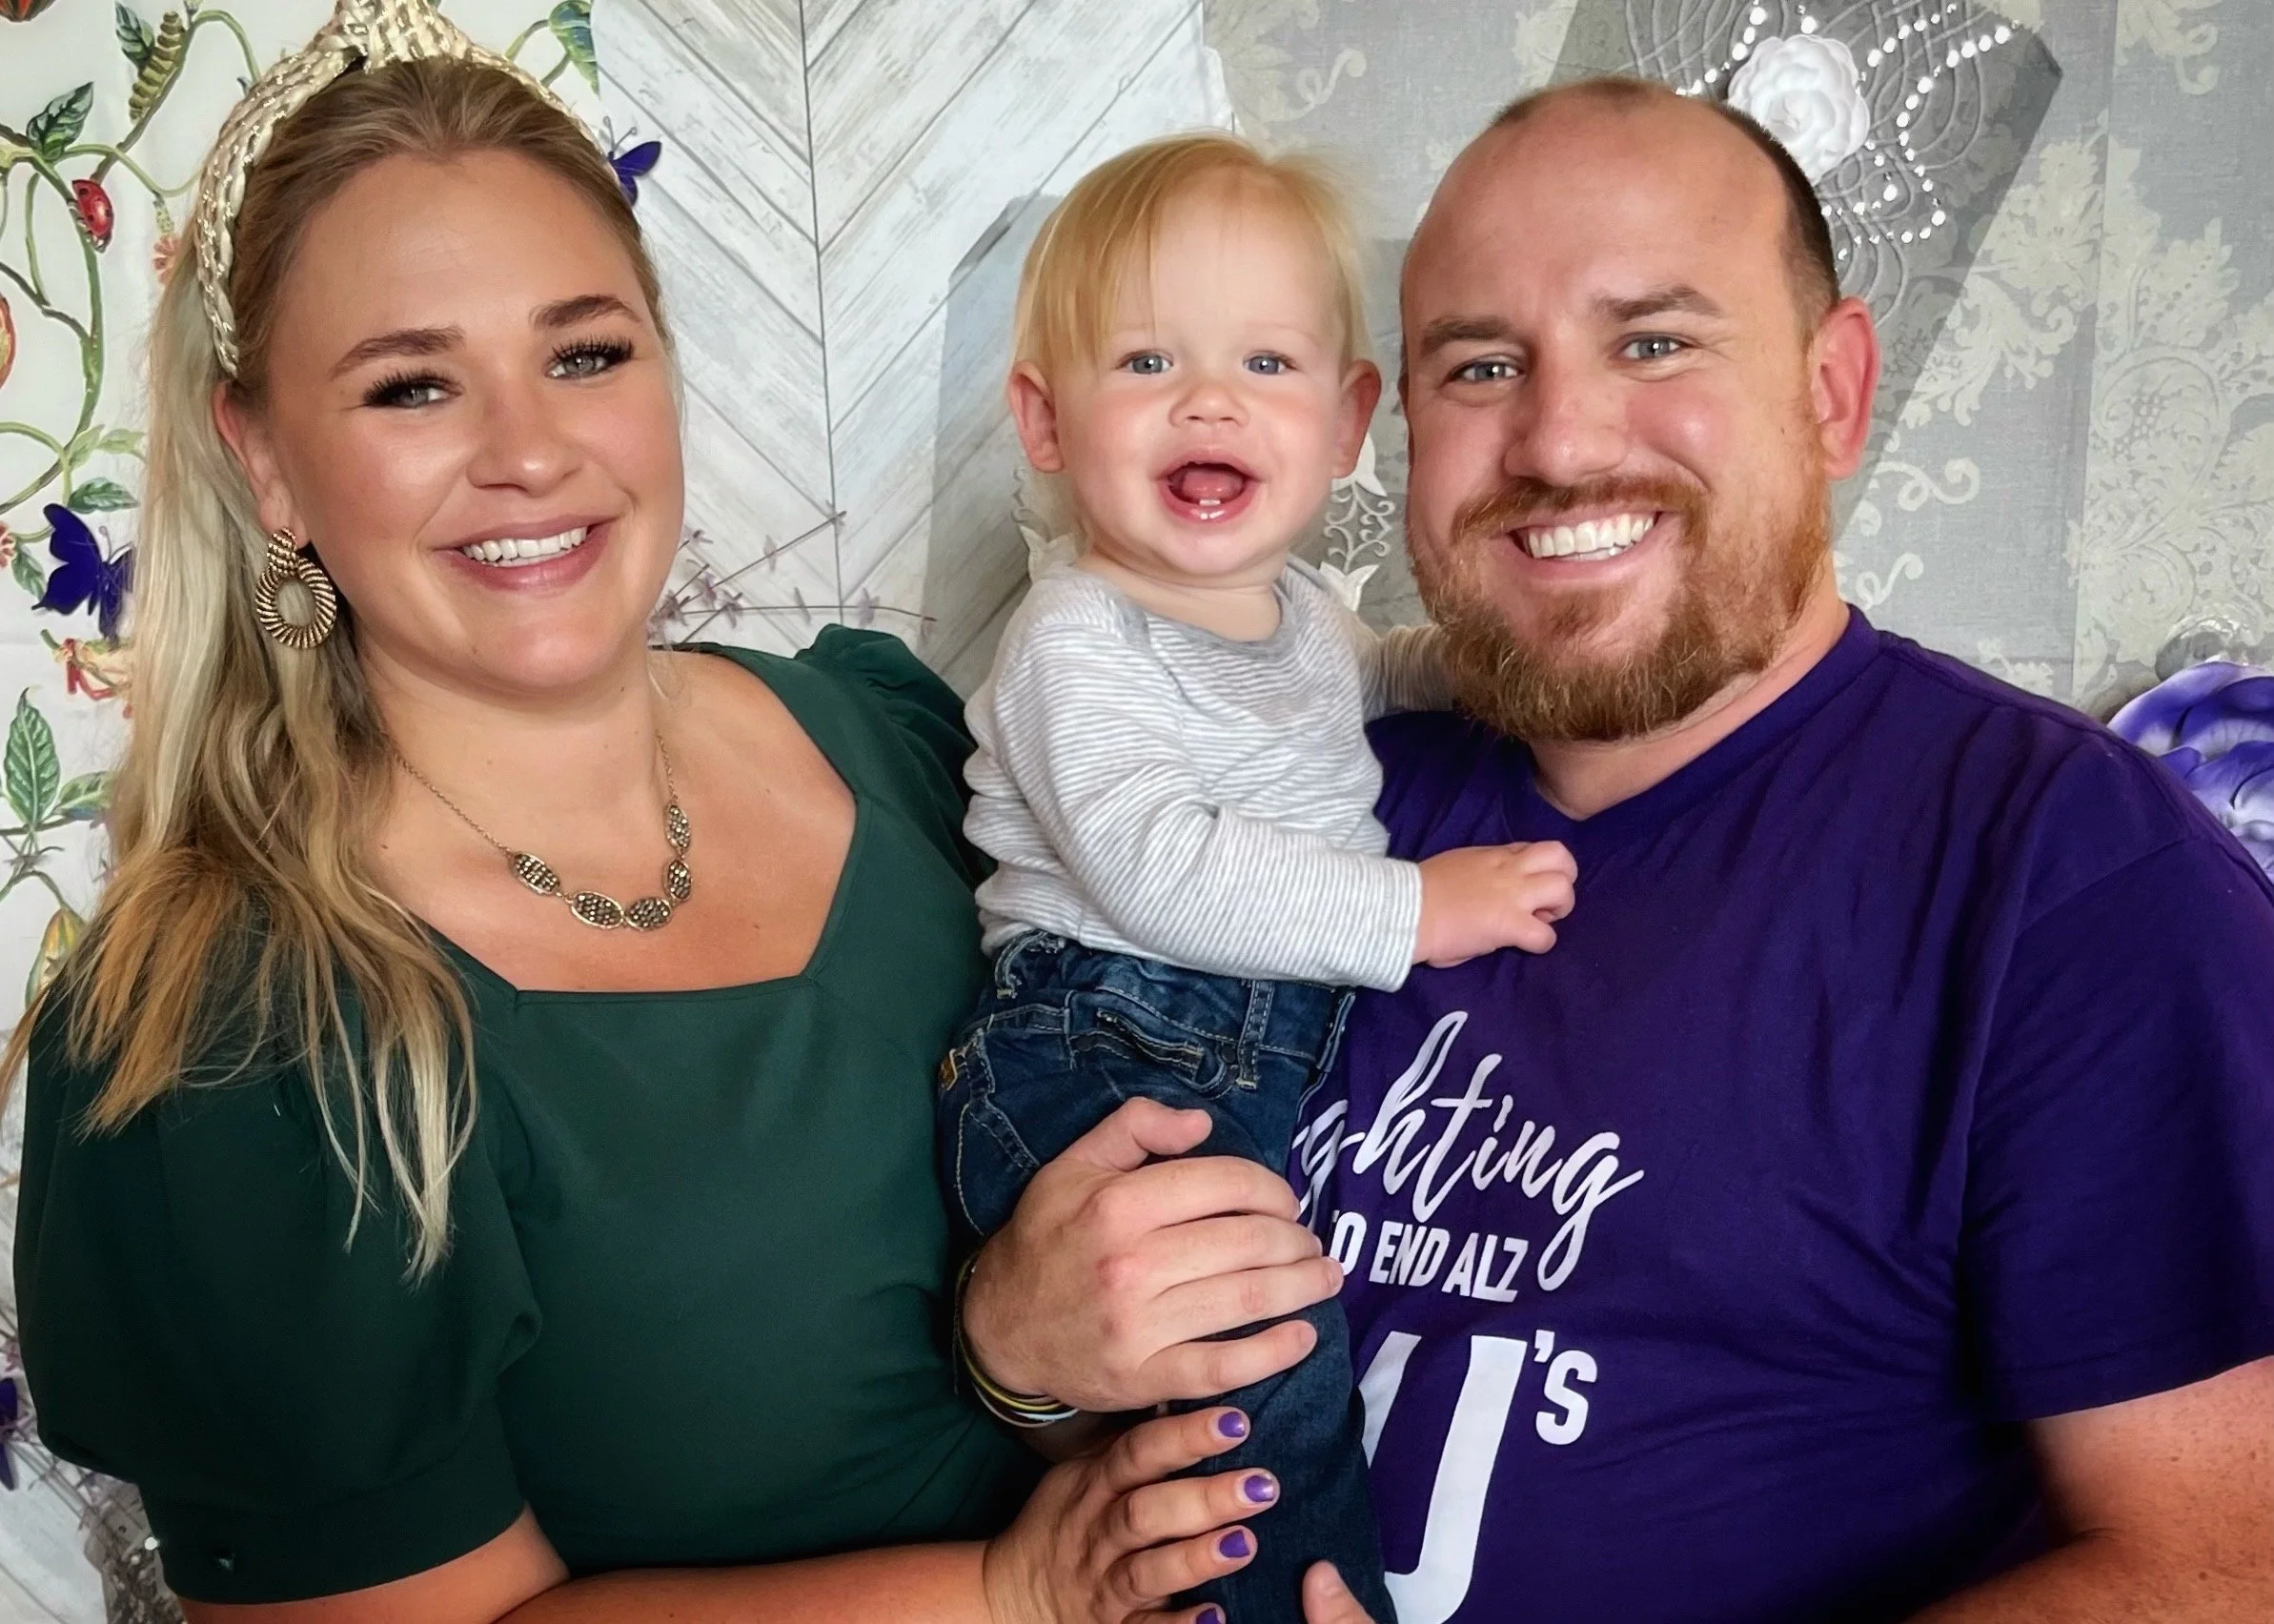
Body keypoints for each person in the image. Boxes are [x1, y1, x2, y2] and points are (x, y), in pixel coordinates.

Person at [11, 8, 1291, 1620]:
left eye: (585, 355)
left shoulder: (888, 734)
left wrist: (1020, 1369)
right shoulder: (233, 1034)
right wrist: (1012, 1595)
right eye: (412, 386)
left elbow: (1086, 1298)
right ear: (262, 458)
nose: (529, 450)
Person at [956, 77, 2274, 1623]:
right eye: (1480, 366)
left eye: (1652, 342)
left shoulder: (2070, 874)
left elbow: (2223, 1566)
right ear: (1401, 427)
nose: (1559, 440)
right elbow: (1123, 1367)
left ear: (1830, 392)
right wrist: (1018, 1358)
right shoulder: (1316, 795)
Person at [942, 132, 1578, 1624]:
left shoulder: (1294, 615)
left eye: (1267, 364)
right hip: (1105, 1047)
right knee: (1263, 1360)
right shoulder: (1075, 637)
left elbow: (1383, 673)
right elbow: (1158, 870)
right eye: (1146, 360)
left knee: (1258, 1345)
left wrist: (1495, 661)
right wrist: (1419, 910)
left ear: (1347, 420)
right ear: (1044, 419)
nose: (1209, 401)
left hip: (1226, 1046)